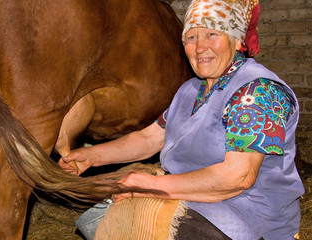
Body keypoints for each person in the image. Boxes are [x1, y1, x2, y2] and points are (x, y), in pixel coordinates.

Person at [59, 0, 305, 239]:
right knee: (116, 212)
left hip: (249, 216)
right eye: (191, 37)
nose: (199, 47)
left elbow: (238, 177)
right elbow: (149, 138)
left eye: (211, 35)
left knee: (142, 215)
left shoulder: (256, 91)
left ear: (237, 40)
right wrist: (92, 156)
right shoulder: (191, 90)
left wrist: (149, 185)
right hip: (199, 199)